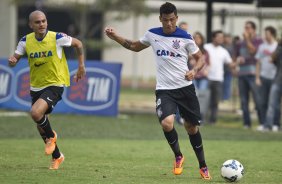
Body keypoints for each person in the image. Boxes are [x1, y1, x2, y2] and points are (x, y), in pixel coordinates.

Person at [105, 2, 211, 180]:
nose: (169, 23)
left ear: (176, 18)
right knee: (167, 123)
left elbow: (201, 58)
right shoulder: (152, 34)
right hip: (164, 90)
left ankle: (203, 166)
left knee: (191, 128)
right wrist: (116, 36)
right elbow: (133, 46)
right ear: (160, 19)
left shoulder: (185, 37)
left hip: (185, 89)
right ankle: (178, 155)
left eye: (171, 20)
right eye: (165, 20)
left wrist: (194, 70)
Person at [8, 10, 86, 169]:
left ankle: (52, 137)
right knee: (40, 123)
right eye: (37, 22)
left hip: (55, 84)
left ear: (47, 22)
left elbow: (78, 43)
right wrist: (13, 60)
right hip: (36, 86)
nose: (41, 24)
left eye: (43, 21)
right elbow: (16, 57)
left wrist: (81, 66)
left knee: (36, 113)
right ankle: (57, 156)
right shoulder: (25, 41)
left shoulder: (57, 38)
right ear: (31, 25)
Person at [235, 21, 263, 129]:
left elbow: (254, 52)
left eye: (248, 28)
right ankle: (247, 123)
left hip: (254, 74)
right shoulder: (239, 43)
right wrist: (237, 61)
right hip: (242, 74)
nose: (246, 30)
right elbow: (235, 57)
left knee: (257, 99)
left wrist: (247, 39)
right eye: (245, 27)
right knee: (243, 100)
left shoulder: (258, 41)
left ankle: (262, 123)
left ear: (254, 29)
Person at [204, 30, 233, 124]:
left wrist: (237, 63)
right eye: (219, 37)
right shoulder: (206, 47)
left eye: (222, 37)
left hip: (218, 79)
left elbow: (230, 63)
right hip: (206, 78)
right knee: (205, 100)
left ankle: (213, 120)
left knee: (215, 102)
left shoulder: (224, 51)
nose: (221, 39)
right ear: (213, 38)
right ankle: (202, 119)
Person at [255, 26, 278, 131]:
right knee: (262, 102)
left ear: (272, 34)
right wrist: (257, 77)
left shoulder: (277, 46)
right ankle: (264, 123)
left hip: (275, 78)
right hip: (263, 77)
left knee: (274, 103)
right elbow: (258, 62)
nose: (265, 36)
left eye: (267, 34)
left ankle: (275, 124)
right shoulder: (262, 47)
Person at [264, 42, 282, 132]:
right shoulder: (279, 49)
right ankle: (269, 125)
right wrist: (278, 47)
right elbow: (271, 60)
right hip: (277, 80)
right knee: (272, 104)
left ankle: (277, 125)